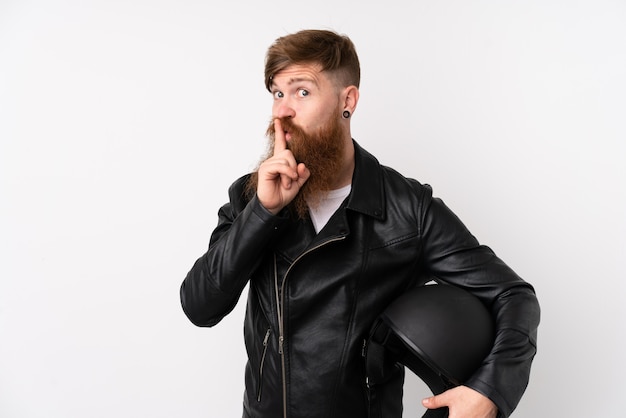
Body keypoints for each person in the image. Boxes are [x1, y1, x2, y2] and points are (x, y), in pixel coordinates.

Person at [180, 29, 540, 418]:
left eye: (301, 92)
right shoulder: (251, 197)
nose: (282, 111)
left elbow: (513, 295)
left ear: (347, 100)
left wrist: (488, 391)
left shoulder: (407, 209)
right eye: (277, 93)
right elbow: (200, 306)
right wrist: (262, 214)